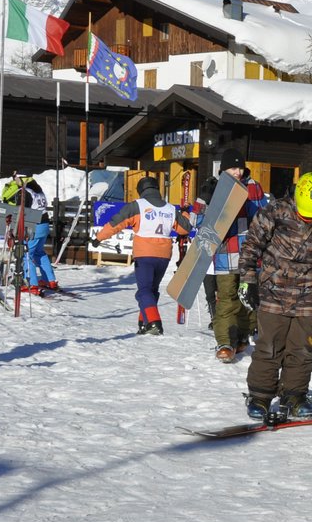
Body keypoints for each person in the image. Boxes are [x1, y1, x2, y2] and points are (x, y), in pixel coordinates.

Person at [238, 172, 312, 421]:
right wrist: (247, 279)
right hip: (274, 291)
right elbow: (252, 244)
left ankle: (295, 395)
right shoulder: (276, 211)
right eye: (306, 215)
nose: (311, 220)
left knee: (303, 349)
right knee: (269, 346)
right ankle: (260, 396)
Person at [94, 175, 191, 335]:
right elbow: (185, 228)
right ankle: (144, 323)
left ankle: (153, 322)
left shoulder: (137, 206)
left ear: (141, 191)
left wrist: (98, 238)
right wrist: (185, 213)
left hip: (145, 254)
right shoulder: (170, 209)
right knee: (152, 289)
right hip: (164, 255)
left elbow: (116, 223)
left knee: (144, 290)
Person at [199, 150, 263, 363]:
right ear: (223, 170)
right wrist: (204, 200)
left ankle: (243, 335)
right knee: (226, 298)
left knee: (248, 298)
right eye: (232, 168)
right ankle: (225, 342)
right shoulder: (216, 187)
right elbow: (197, 223)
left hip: (250, 252)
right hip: (226, 253)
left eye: (239, 167)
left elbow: (264, 215)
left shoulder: (253, 186)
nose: (237, 171)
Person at [16, 178, 60, 293]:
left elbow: (21, 211)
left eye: (16, 177)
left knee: (26, 254)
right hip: (44, 225)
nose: (15, 180)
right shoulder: (37, 189)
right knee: (39, 253)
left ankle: (32, 284)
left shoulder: (25, 191)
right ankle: (50, 280)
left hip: (34, 226)